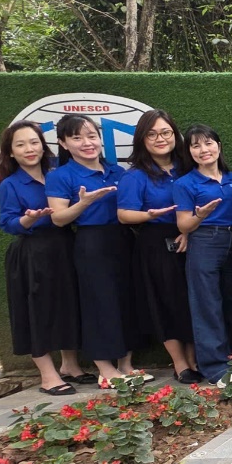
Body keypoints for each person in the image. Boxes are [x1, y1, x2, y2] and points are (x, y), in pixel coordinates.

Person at [45, 113, 143, 386]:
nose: (87, 143)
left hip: (123, 239)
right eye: (77, 138)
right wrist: (84, 203)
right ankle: (105, 368)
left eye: (91, 136)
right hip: (90, 242)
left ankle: (126, 364)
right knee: (99, 303)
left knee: (127, 300)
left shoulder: (118, 171)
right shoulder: (60, 176)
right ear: (64, 144)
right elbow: (58, 218)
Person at [0, 120, 84, 394]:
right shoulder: (11, 184)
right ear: (10, 152)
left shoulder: (57, 175)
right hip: (33, 252)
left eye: (34, 142)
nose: (29, 149)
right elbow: (7, 222)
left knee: (69, 305)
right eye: (20, 145)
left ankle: (70, 365)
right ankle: (48, 375)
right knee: (37, 312)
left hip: (65, 246)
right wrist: (28, 219)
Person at [117, 109, 201, 383]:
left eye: (165, 132)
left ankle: (194, 359)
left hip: (190, 236)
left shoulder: (188, 168)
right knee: (166, 303)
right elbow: (124, 215)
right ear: (142, 139)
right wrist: (149, 215)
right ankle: (180, 364)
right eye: (151, 134)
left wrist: (187, 230)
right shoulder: (136, 176)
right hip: (156, 242)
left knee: (189, 301)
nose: (160, 139)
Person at [172, 124, 232, 385]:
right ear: (189, 152)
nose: (204, 149)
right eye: (196, 145)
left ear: (219, 146)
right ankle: (215, 369)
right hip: (205, 242)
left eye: (208, 143)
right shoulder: (185, 183)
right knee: (207, 305)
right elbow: (183, 226)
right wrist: (199, 216)